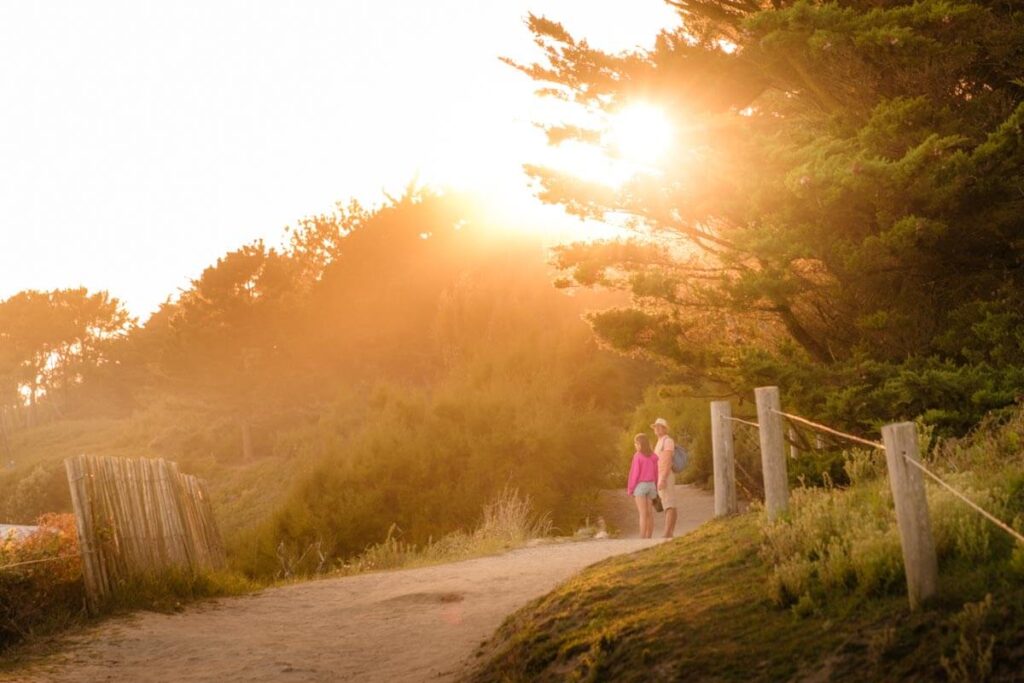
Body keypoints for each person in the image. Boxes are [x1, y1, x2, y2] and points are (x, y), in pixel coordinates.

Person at [626, 433, 659, 539]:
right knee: (649, 513)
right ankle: (649, 537)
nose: (635, 445)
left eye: (636, 443)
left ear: (640, 444)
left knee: (642, 514)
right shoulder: (653, 456)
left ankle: (642, 538)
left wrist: (630, 489)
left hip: (641, 486)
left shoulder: (638, 456)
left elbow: (634, 474)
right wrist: (656, 486)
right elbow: (656, 472)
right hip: (651, 486)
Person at [652, 417, 678, 538]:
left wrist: (662, 479)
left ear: (664, 428)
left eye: (659, 426)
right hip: (661, 475)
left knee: (669, 504)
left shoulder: (667, 441)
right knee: (668, 503)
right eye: (655, 427)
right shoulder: (659, 441)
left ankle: (667, 533)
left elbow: (667, 461)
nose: (656, 429)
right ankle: (669, 532)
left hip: (665, 475)